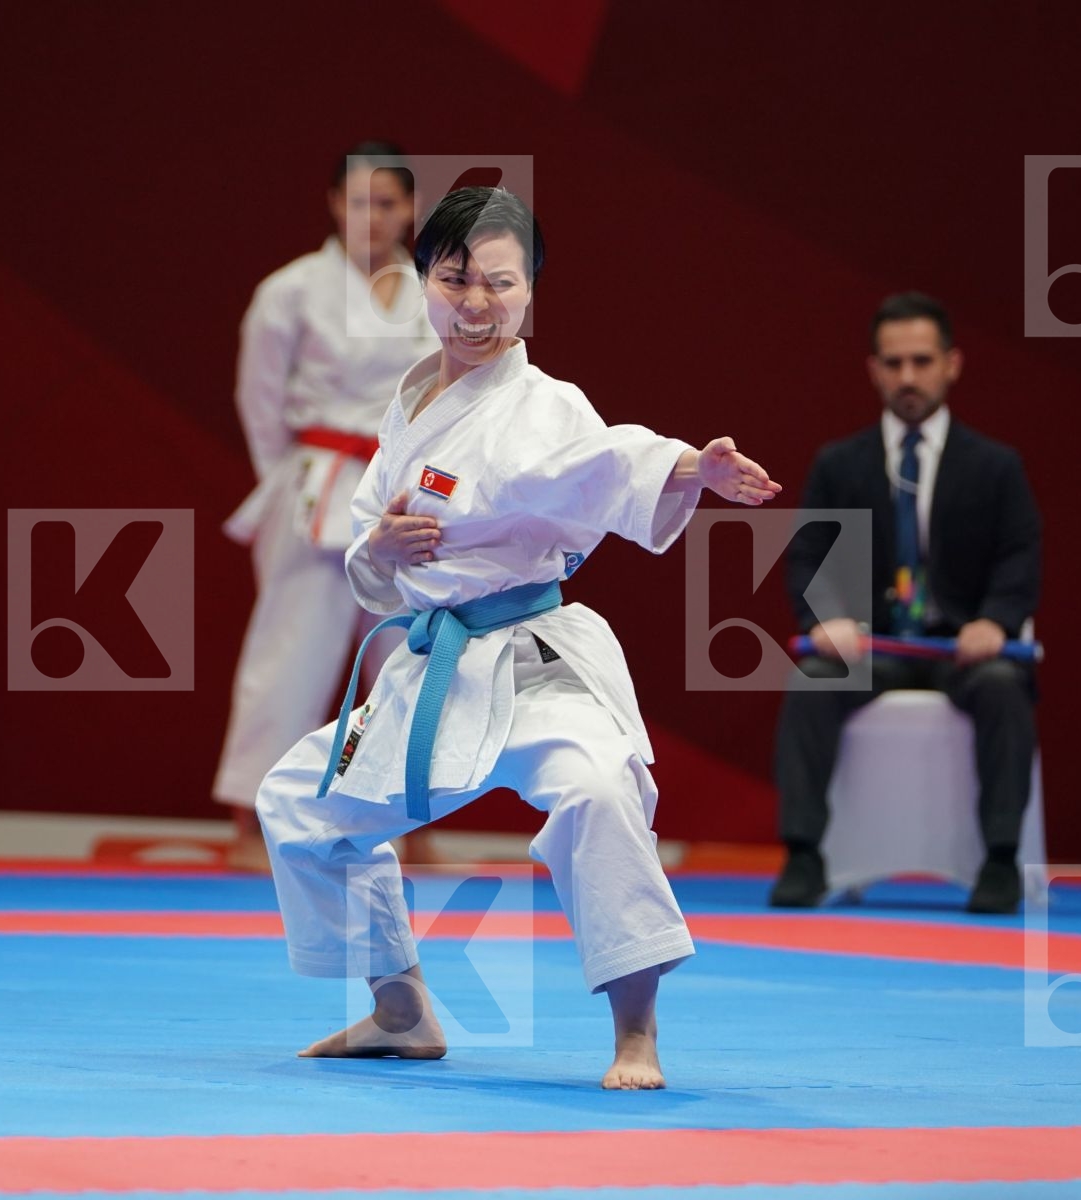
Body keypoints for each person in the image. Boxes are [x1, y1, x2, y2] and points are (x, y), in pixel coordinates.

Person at [254, 187, 782, 1089]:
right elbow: (372, 560)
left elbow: (608, 460)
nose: (476, 302)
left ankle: (637, 1036)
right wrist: (375, 545)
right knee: (298, 804)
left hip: (534, 658)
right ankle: (400, 1010)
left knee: (596, 791)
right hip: (432, 664)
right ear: (422, 279)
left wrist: (697, 466)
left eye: (500, 282)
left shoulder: (545, 406)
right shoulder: (414, 394)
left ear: (530, 290)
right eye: (455, 278)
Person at [771, 293, 1041, 914]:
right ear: (874, 371)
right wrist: (825, 619)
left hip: (963, 649)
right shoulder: (838, 465)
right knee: (812, 679)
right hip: (874, 646)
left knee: (1006, 685)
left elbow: (1020, 557)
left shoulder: (996, 467)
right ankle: (804, 855)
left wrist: (996, 622)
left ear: (952, 364)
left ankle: (999, 860)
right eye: (894, 364)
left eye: (922, 361)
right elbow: (808, 557)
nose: (908, 378)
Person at [215, 142, 439, 871]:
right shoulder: (292, 289)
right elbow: (258, 400)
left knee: (409, 652)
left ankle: (408, 817)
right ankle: (254, 817)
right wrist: (288, 479)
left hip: (399, 493)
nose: (370, 218)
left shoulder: (436, 292)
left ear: (409, 210)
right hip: (314, 482)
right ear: (332, 205)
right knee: (291, 650)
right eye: (356, 202)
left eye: (387, 203)